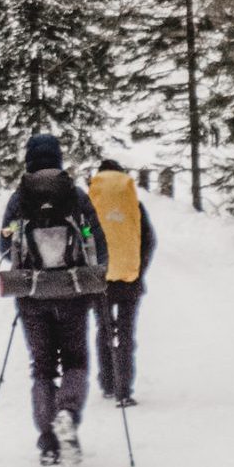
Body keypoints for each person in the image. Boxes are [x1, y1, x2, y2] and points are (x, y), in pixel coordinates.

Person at [0, 133, 108, 466]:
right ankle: (67, 413)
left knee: (43, 368)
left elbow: (3, 248)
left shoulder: (19, 199)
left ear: (29, 159)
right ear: (58, 159)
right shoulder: (74, 195)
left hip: (32, 296)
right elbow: (98, 244)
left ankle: (47, 441)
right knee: (76, 362)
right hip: (73, 292)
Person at [88, 157, 156, 407]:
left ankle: (106, 382)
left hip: (99, 279)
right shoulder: (133, 206)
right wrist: (138, 269)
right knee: (126, 333)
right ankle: (123, 390)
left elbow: (84, 236)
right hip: (130, 280)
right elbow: (148, 240)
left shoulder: (91, 204)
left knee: (104, 329)